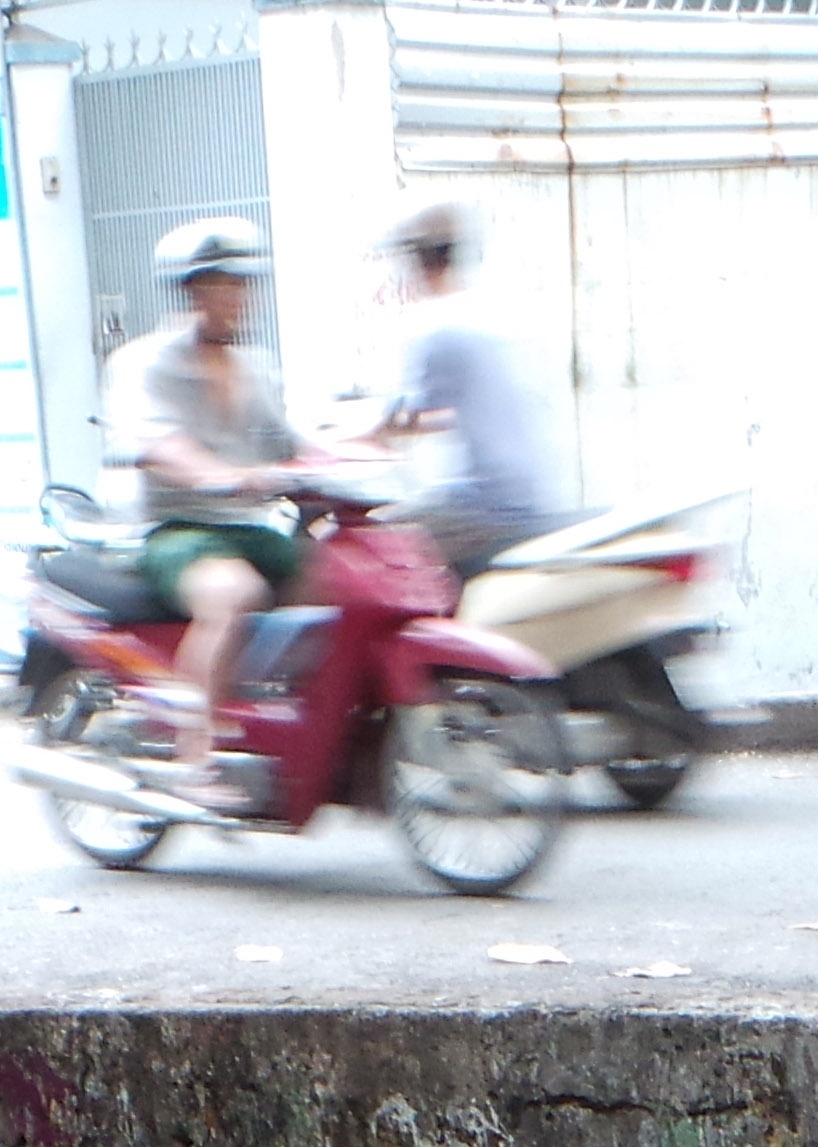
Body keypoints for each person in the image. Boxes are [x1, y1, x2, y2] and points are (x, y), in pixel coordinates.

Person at [102, 217, 327, 784]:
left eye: (239, 284)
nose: (235, 298)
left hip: (250, 526)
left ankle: (297, 730)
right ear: (190, 291)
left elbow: (292, 445)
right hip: (179, 531)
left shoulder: (254, 365)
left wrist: (357, 456)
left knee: (337, 582)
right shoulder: (145, 363)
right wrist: (213, 473)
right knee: (235, 593)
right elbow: (155, 441)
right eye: (220, 285)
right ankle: (194, 752)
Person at [371, 202, 561, 581]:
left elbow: (402, 419)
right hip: (538, 496)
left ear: (419, 263)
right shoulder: (496, 316)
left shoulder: (438, 327)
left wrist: (347, 438)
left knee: (371, 544)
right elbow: (452, 409)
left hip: (488, 506)